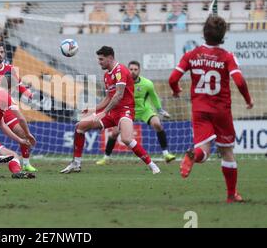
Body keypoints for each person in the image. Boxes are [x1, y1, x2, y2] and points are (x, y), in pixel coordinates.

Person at [169, 15, 254, 203]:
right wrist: (248, 99)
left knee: (203, 151)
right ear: (223, 35)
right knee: (227, 151)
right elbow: (239, 81)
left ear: (203, 33)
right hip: (221, 110)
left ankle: (193, 155)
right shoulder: (227, 56)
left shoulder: (191, 54)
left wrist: (176, 91)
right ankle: (231, 194)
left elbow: (173, 79)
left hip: (199, 110)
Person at [60, 46, 160, 174]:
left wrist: (104, 112)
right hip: (111, 111)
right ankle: (76, 163)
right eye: (99, 59)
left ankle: (152, 165)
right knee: (80, 126)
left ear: (110, 58)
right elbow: (108, 97)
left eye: (101, 59)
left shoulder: (121, 70)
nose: (99, 62)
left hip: (125, 111)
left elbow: (119, 95)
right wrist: (93, 109)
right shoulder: (107, 75)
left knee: (126, 139)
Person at [96, 60, 176, 165]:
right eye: (131, 69)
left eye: (135, 69)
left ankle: (166, 154)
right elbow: (113, 96)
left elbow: (154, 97)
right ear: (127, 70)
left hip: (143, 110)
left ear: (139, 71)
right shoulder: (121, 82)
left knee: (157, 124)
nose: (133, 71)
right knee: (114, 133)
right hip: (125, 110)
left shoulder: (147, 84)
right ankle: (106, 158)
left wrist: (160, 110)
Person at [0, 43, 37, 172]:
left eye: (1, 52)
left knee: (22, 131)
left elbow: (19, 85)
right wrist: (4, 79)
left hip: (5, 106)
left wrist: (29, 95)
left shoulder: (11, 69)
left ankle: (26, 163)